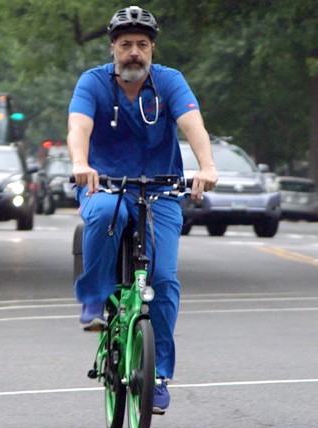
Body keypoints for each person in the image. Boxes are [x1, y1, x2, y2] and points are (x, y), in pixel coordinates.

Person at [67, 5, 218, 415]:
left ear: (151, 49)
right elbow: (78, 127)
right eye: (125, 44)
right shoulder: (93, 82)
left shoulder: (169, 82)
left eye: (142, 45)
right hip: (105, 184)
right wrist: (81, 164)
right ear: (113, 48)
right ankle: (95, 300)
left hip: (161, 190)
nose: (134, 52)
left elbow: (193, 124)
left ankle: (159, 374)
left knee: (164, 280)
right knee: (103, 215)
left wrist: (206, 166)